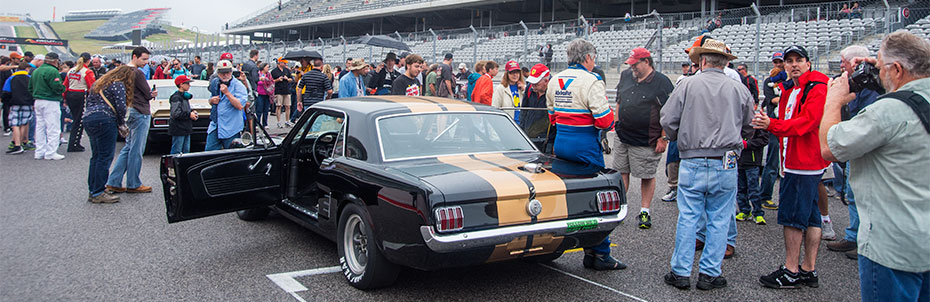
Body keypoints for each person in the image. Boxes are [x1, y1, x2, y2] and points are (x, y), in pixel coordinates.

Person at [819, 30, 930, 302]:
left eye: (880, 69)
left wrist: (833, 100)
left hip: (893, 243)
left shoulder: (889, 111)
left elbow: (830, 148)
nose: (877, 73)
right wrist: (882, 66)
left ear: (897, 69)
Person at [660, 38, 752, 291]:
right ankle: (710, 273)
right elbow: (750, 124)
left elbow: (667, 119)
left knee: (688, 216)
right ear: (724, 62)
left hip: (692, 158)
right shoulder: (739, 88)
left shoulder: (687, 85)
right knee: (720, 217)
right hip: (726, 160)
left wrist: (678, 136)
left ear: (701, 60)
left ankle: (680, 272)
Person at [752, 45, 830, 289]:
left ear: (808, 63)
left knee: (793, 219)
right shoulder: (793, 88)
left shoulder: (815, 87)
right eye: (789, 61)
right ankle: (808, 269)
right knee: (811, 217)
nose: (794, 64)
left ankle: (791, 270)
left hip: (802, 163)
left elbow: (806, 123)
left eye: (799, 60)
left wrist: (771, 125)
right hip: (797, 161)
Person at [547, 39, 624, 270]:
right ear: (588, 58)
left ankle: (586, 248)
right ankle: (600, 254)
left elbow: (552, 116)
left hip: (561, 142)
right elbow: (605, 120)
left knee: (571, 198)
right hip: (585, 145)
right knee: (597, 198)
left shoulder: (555, 78)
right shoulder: (592, 80)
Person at [824, 45, 880, 260]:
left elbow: (862, 115)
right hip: (855, 146)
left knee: (862, 196)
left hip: (863, 145)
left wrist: (836, 100)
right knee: (853, 194)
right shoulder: (856, 83)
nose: (841, 66)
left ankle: (865, 240)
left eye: (844, 62)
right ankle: (854, 235)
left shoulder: (870, 87)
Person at [612, 47, 675, 229]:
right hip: (623, 135)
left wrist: (663, 137)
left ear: (646, 62)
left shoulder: (662, 82)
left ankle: (645, 211)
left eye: (635, 64)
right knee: (621, 171)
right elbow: (619, 101)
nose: (633, 68)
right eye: (631, 65)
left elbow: (669, 112)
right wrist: (617, 124)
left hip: (647, 138)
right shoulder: (626, 76)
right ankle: (620, 209)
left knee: (646, 175)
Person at [105, 47, 157, 194]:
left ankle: (114, 181)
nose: (146, 63)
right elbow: (147, 95)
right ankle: (133, 183)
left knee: (128, 147)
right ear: (135, 56)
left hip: (128, 109)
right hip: (140, 110)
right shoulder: (137, 73)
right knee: (137, 149)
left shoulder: (121, 71)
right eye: (144, 59)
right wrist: (152, 94)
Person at [83, 65, 135, 204]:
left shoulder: (99, 83)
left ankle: (93, 189)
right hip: (105, 119)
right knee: (105, 157)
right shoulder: (118, 84)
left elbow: (88, 101)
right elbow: (120, 106)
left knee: (96, 156)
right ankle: (99, 192)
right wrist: (121, 123)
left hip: (89, 118)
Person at [759, 52, 787, 211]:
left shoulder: (788, 80)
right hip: (774, 124)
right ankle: (765, 196)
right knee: (773, 162)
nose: (777, 64)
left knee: (787, 162)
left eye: (780, 62)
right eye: (775, 62)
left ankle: (785, 198)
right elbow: (773, 99)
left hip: (787, 123)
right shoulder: (770, 81)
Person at [28, 52, 67, 160]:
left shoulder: (36, 71)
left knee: (40, 127)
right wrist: (62, 89)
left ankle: (39, 151)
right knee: (53, 127)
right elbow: (57, 87)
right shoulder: (52, 71)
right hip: (50, 101)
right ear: (55, 61)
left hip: (38, 100)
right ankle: (51, 152)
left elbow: (30, 87)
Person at [205, 60, 246, 151]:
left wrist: (227, 93)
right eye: (222, 73)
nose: (225, 75)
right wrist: (211, 101)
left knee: (231, 154)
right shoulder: (215, 83)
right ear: (218, 73)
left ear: (231, 72)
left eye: (227, 73)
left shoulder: (238, 86)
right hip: (216, 124)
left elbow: (240, 106)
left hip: (231, 127)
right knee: (209, 152)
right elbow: (211, 99)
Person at [736, 116, 769, 224]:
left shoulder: (758, 122)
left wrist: (748, 144)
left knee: (753, 189)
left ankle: (758, 212)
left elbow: (764, 140)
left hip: (752, 162)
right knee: (740, 188)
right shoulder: (737, 118)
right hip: (739, 160)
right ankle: (744, 210)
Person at [64, 53, 95, 153]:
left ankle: (75, 143)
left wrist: (65, 97)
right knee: (79, 120)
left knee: (75, 118)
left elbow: (65, 84)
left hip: (70, 94)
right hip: (81, 95)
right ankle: (73, 143)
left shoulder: (71, 70)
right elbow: (92, 87)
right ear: (88, 61)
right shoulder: (87, 71)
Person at [520, 63, 554, 152]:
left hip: (547, 139)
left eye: (536, 82)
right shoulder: (529, 89)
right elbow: (523, 111)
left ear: (546, 81)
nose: (533, 85)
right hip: (529, 136)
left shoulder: (554, 91)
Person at [2, 62, 33, 154]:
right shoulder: (30, 78)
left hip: (15, 103)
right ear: (27, 69)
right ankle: (22, 142)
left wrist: (8, 102)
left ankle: (17, 144)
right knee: (24, 123)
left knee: (15, 124)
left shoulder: (11, 78)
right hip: (27, 103)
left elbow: (6, 92)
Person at [168, 75, 197, 154]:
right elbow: (175, 113)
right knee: (176, 151)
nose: (189, 85)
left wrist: (192, 112)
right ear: (181, 84)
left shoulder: (184, 97)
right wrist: (189, 115)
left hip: (186, 127)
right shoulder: (176, 97)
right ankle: (173, 165)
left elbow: (184, 109)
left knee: (186, 151)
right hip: (178, 128)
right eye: (187, 83)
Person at [271, 58, 294, 128]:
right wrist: (278, 80)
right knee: (279, 106)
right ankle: (278, 122)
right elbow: (271, 81)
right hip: (278, 90)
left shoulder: (287, 70)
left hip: (287, 90)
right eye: (284, 63)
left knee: (288, 106)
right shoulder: (274, 71)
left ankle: (287, 121)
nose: (285, 64)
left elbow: (291, 79)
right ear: (280, 63)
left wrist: (287, 79)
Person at [255, 63, 274, 128]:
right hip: (260, 94)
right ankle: (257, 123)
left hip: (267, 94)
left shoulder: (269, 75)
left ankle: (265, 124)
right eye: (267, 67)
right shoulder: (258, 74)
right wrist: (261, 80)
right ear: (263, 68)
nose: (268, 69)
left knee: (266, 110)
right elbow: (256, 81)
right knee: (259, 110)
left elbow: (271, 82)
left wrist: (267, 81)